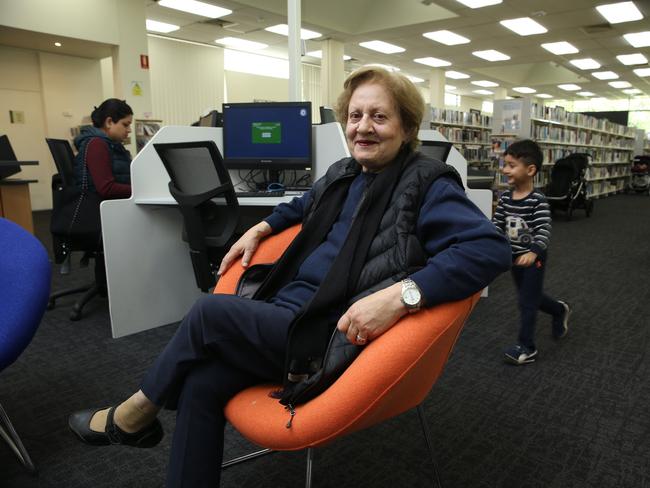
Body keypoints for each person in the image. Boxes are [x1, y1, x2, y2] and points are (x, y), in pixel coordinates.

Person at [68, 66, 511, 487]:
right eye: (355, 116)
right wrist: (260, 228)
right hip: (286, 315)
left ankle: (133, 415)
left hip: (327, 333)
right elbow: (299, 206)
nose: (363, 127)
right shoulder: (343, 173)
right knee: (202, 382)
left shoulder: (428, 184)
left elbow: (489, 249)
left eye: (379, 116)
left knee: (208, 313)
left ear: (408, 127)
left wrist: (401, 297)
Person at [492, 139, 571, 365]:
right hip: (514, 258)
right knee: (531, 297)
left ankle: (527, 347)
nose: (504, 169)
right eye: (504, 164)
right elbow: (497, 225)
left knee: (527, 301)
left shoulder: (538, 201)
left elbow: (544, 230)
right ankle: (558, 309)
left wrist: (534, 253)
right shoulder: (506, 198)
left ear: (530, 170)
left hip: (533, 258)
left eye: (511, 165)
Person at [73, 98, 133, 200]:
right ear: (109, 122)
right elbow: (107, 188)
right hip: (101, 208)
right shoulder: (96, 145)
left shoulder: (110, 145)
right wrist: (141, 190)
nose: (129, 130)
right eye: (125, 124)